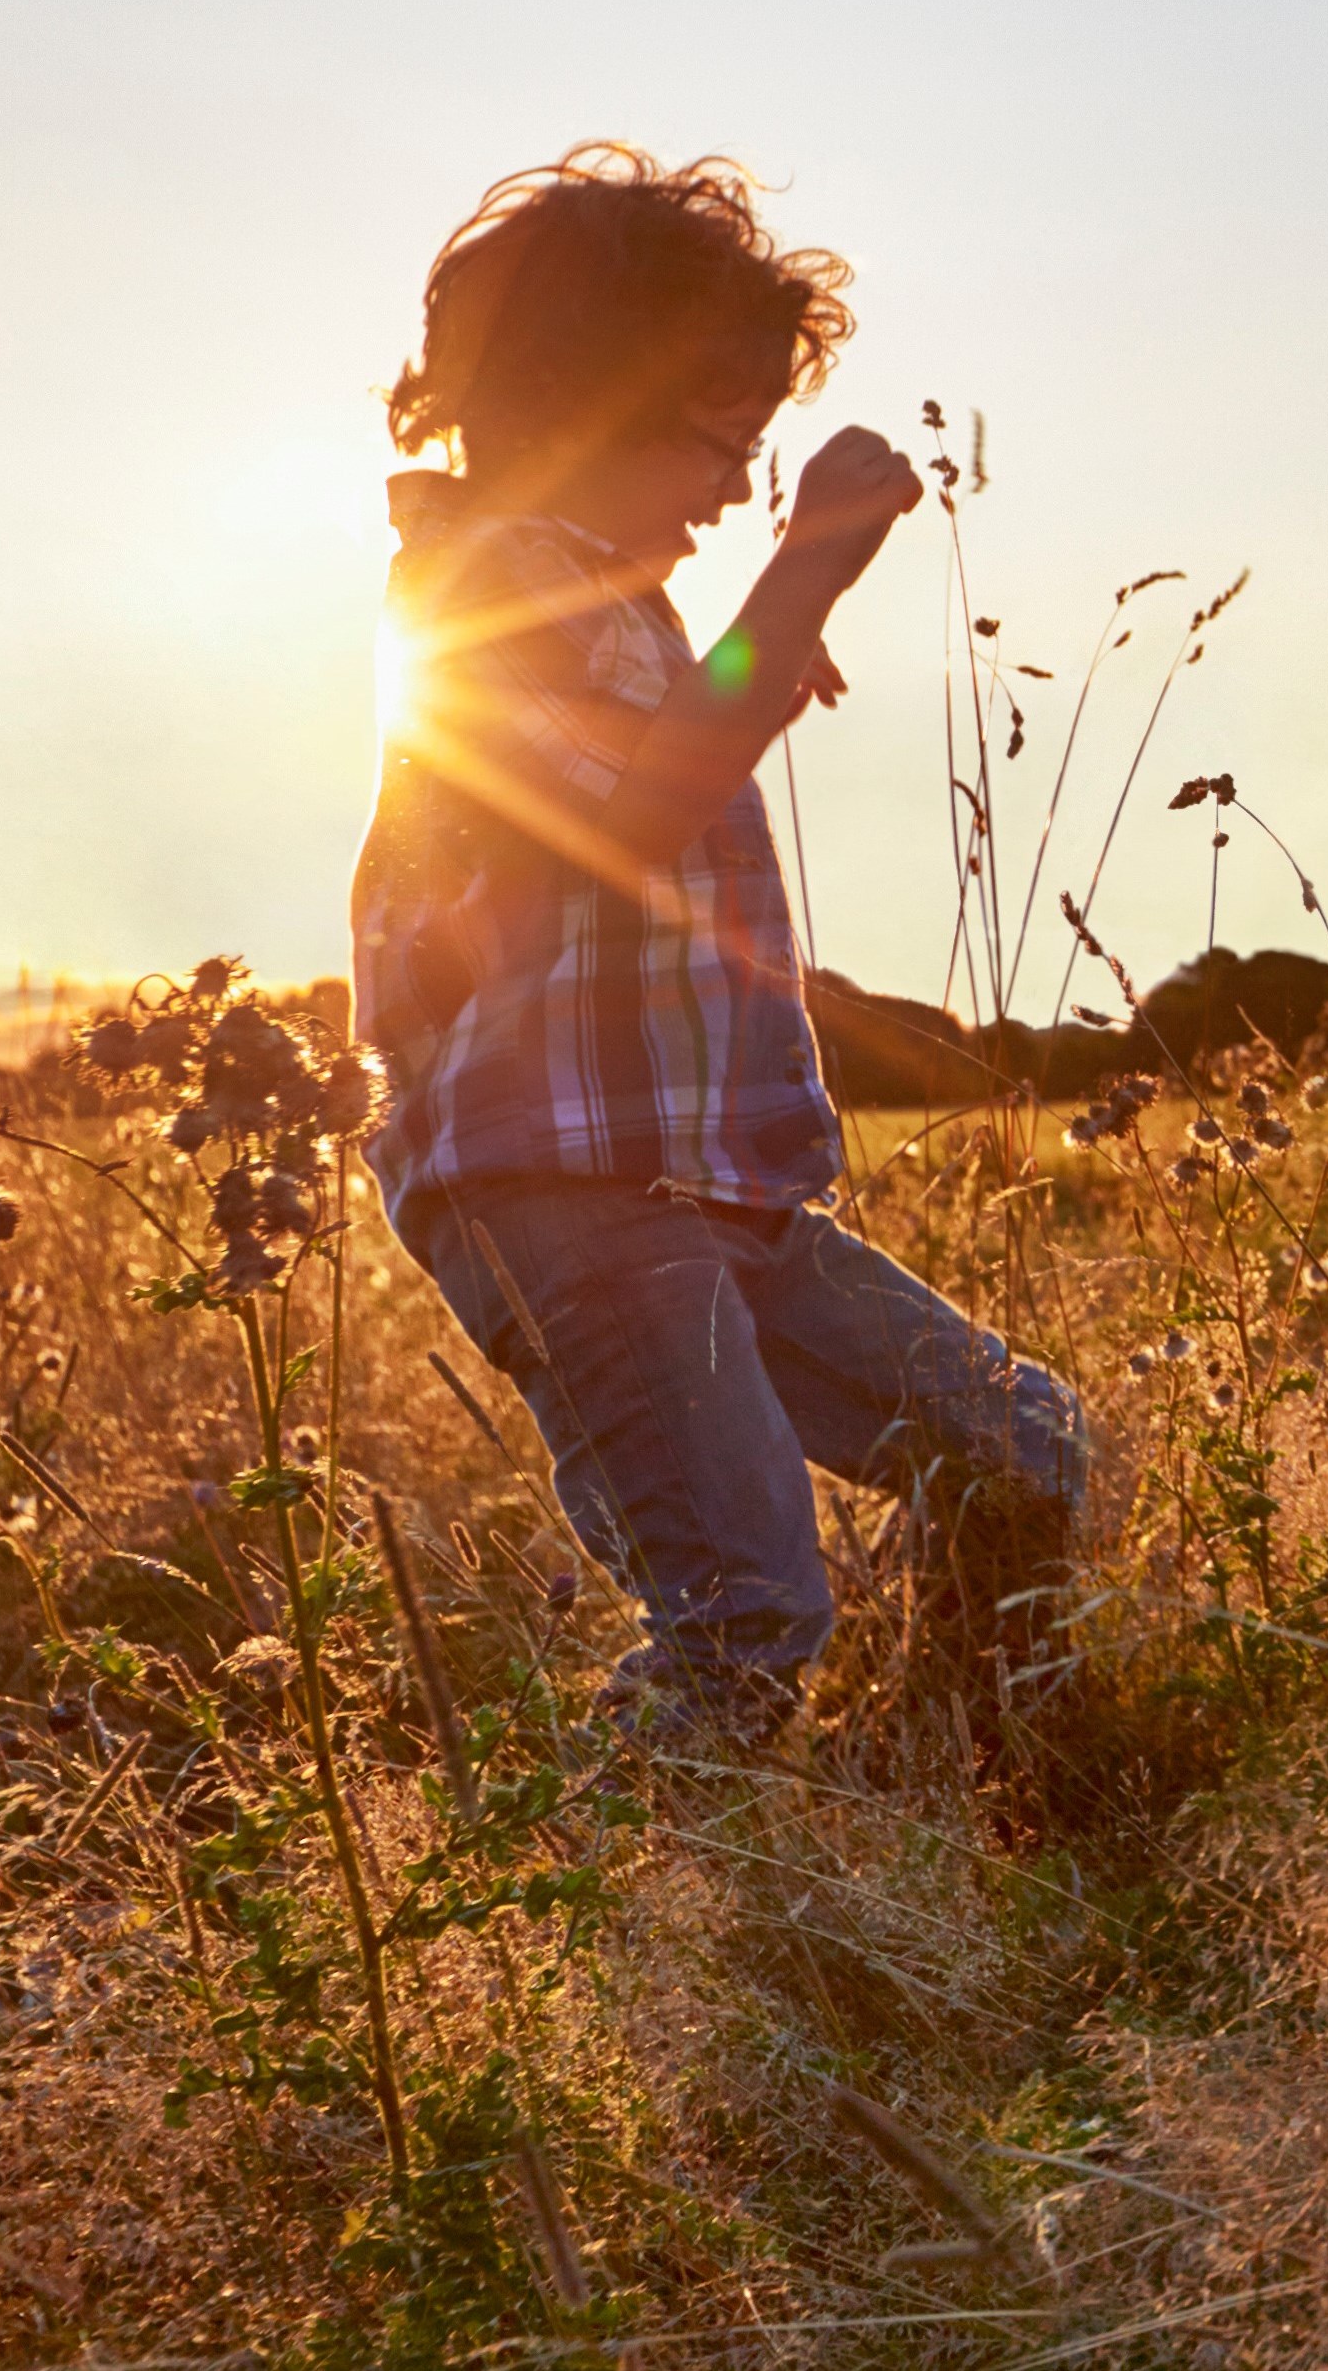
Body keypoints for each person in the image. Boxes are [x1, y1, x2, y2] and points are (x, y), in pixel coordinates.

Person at [355, 147, 1087, 1754]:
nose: (731, 488)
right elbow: (633, 813)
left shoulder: (619, 608)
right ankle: (664, 1901)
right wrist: (808, 561)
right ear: (580, 399)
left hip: (709, 1178)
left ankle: (953, 1763)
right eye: (714, 440)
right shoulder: (484, 583)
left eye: (757, 455)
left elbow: (664, 765)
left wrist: (770, 638)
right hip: (567, 1183)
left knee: (1026, 1450)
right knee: (743, 1600)